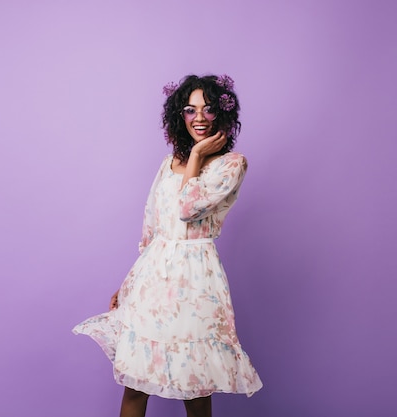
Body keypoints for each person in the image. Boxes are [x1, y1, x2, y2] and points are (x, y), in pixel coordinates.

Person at [73, 74, 262, 417]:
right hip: (155, 278)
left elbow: (188, 210)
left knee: (196, 387)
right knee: (136, 383)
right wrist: (128, 285)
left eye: (207, 109)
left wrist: (196, 156)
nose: (200, 117)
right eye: (190, 110)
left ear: (222, 113)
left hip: (196, 279)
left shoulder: (232, 164)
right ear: (180, 117)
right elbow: (152, 231)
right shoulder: (167, 164)